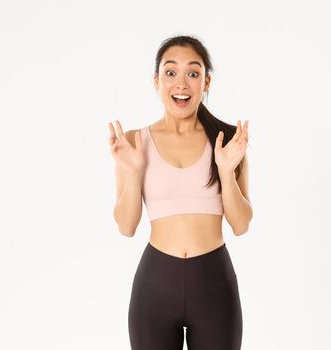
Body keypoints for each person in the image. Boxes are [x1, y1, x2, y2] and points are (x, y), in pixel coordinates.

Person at [107, 35, 252, 350]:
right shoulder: (134, 142)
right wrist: (132, 173)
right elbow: (126, 226)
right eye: (171, 72)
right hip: (155, 287)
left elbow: (241, 225)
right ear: (156, 81)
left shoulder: (228, 141)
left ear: (206, 81)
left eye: (194, 73)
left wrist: (226, 172)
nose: (182, 83)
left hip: (214, 285)